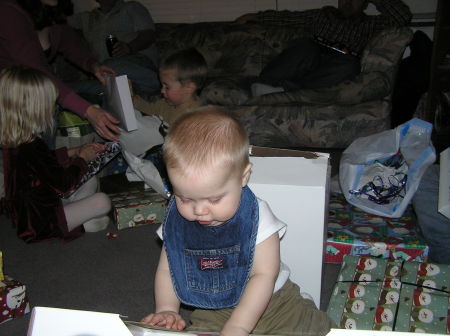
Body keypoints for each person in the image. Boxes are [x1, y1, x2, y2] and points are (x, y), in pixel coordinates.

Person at [140, 108, 336, 336]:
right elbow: (168, 270)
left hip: (274, 302)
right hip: (212, 307)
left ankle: (304, 306)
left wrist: (239, 326)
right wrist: (167, 309)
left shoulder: (256, 217)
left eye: (214, 199)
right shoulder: (177, 222)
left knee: (311, 330)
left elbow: (264, 275)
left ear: (243, 177)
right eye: (184, 198)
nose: (200, 211)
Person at [0, 66, 112, 243]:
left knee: (90, 180)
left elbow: (44, 163)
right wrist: (82, 159)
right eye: (51, 104)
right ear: (35, 109)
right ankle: (81, 222)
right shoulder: (30, 145)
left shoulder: (23, 141)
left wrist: (74, 151)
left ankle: (81, 215)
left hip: (47, 203)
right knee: (103, 201)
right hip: (41, 222)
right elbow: (63, 184)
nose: (54, 108)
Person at [0, 0, 120, 142]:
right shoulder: (6, 10)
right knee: (52, 105)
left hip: (43, 88)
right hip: (12, 96)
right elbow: (36, 69)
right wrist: (87, 110)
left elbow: (70, 43)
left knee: (99, 89)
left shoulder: (51, 11)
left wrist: (93, 66)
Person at [237, 0, 412, 95]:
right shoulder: (322, 15)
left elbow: (402, 17)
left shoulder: (371, 24)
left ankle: (284, 89)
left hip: (334, 68)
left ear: (366, 3)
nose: (348, 2)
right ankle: (265, 85)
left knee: (351, 64)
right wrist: (255, 16)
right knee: (306, 46)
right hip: (308, 57)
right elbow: (286, 17)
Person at [68, 0, 160, 95]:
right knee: (65, 88)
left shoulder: (131, 8)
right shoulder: (86, 17)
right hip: (105, 73)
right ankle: (129, 90)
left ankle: (157, 82)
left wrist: (129, 47)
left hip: (136, 63)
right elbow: (59, 25)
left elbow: (149, 36)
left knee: (109, 67)